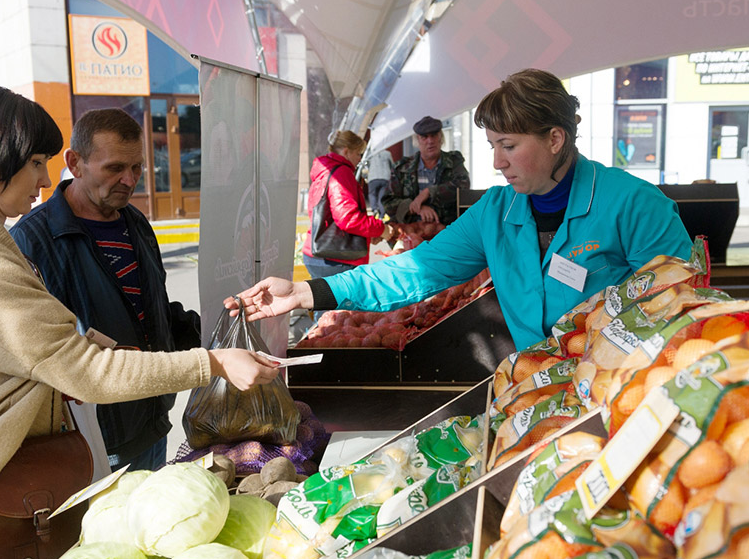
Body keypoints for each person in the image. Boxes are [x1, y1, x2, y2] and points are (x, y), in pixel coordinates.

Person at [0, 86, 278, 559]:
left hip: (13, 488)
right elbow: (81, 369)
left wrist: (145, 343)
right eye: (35, 163)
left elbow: (56, 335)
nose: (46, 180)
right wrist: (212, 363)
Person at [226, 69, 692, 352]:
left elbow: (682, 308)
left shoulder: (634, 204)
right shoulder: (497, 211)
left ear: (555, 138)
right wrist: (308, 295)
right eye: (492, 146)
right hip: (537, 387)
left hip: (621, 391)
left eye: (508, 145)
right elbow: (414, 272)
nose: (496, 161)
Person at [10, 108, 199, 472]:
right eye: (114, 168)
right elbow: (39, 355)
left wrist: (214, 331)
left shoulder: (136, 223)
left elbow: (151, 310)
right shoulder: (32, 241)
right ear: (75, 163)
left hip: (151, 423)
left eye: (137, 168)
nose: (130, 180)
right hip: (89, 444)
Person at [302, 130, 394, 279]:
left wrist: (370, 235)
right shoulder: (341, 172)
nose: (359, 160)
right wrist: (381, 229)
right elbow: (348, 218)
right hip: (336, 258)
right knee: (344, 301)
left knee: (326, 301)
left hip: (320, 253)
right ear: (346, 152)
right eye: (358, 154)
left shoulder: (325, 170)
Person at [382, 115, 471, 225]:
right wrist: (415, 207)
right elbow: (388, 203)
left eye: (434, 135)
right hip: (414, 234)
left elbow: (463, 185)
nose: (430, 141)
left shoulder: (454, 162)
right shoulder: (402, 168)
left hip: (448, 232)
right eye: (424, 137)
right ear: (417, 140)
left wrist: (429, 192)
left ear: (440, 137)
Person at [365, 147, 394, 217]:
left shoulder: (370, 154)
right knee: (382, 196)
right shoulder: (387, 153)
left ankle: (374, 210)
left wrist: (365, 176)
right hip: (385, 177)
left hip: (373, 177)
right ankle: (382, 214)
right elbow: (392, 165)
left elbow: (366, 165)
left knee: (372, 194)